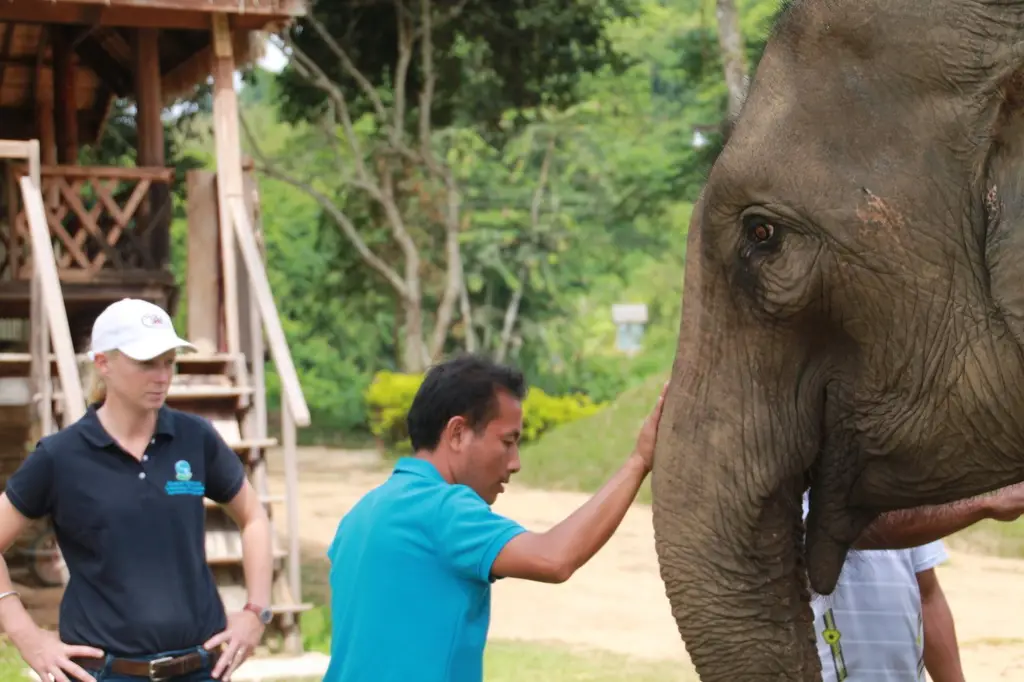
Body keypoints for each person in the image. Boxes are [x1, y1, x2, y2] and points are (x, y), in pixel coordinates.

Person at [323, 354, 668, 682]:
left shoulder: (360, 515)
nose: (515, 462)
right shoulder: (443, 507)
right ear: (457, 433)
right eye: (507, 441)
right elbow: (554, 558)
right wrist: (638, 462)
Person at [0, 298, 275, 682]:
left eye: (168, 361)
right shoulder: (60, 456)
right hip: (104, 674)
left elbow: (253, 518)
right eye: (146, 362)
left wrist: (257, 611)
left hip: (200, 669)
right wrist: (25, 635)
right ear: (103, 363)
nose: (162, 376)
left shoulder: (195, 438)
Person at [805, 483, 1024, 681]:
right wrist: (985, 502)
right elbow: (854, 527)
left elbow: (927, 595)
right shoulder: (790, 495)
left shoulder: (899, 492)